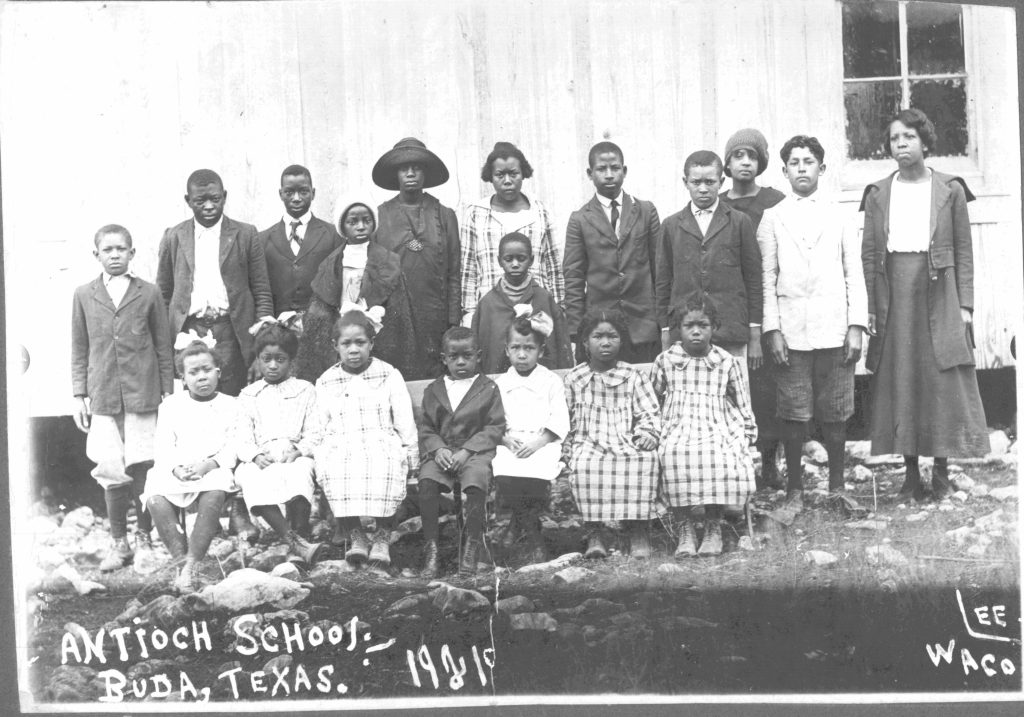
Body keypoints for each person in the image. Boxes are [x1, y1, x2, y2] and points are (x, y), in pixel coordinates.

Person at [860, 108, 990, 500]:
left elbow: (964, 251)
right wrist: (868, 305)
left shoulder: (949, 189)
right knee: (903, 376)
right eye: (895, 138)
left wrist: (965, 304)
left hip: (940, 288)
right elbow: (869, 254)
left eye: (909, 137)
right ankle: (911, 473)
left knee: (941, 375)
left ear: (925, 142)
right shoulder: (879, 193)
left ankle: (943, 472)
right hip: (894, 289)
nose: (901, 144)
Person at [156, 168, 272, 541]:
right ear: (187, 200)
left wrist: (258, 344)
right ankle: (198, 505)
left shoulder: (245, 234)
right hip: (189, 333)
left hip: (231, 333)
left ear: (225, 196)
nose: (208, 206)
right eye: (200, 200)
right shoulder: (175, 236)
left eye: (215, 198)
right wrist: (168, 340)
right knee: (194, 415)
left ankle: (237, 508)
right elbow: (164, 290)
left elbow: (261, 289)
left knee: (233, 413)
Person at [759, 135, 867, 510]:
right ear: (784, 170)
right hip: (791, 332)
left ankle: (837, 487)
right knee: (793, 411)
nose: (801, 168)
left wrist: (856, 326)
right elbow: (767, 278)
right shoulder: (772, 217)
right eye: (794, 162)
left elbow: (855, 273)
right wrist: (772, 330)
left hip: (834, 329)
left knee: (837, 410)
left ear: (822, 168)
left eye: (809, 161)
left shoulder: (840, 214)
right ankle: (795, 491)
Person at [71, 224, 174, 571]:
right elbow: (80, 347)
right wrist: (78, 394)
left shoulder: (148, 293)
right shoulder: (84, 294)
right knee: (110, 468)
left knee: (143, 465)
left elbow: (162, 346)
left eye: (121, 249)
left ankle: (144, 539)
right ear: (96, 254)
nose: (114, 255)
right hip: (103, 396)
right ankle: (120, 543)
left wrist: (168, 395)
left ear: (132, 253)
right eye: (108, 249)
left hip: (142, 394)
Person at [313, 310, 419, 567]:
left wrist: (411, 452)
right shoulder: (327, 381)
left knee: (386, 463)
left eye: (360, 343)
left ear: (371, 343)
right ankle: (356, 536)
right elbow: (320, 424)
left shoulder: (388, 374)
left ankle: (382, 536)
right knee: (336, 466)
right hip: (342, 440)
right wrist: (318, 450)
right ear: (335, 346)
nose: (353, 350)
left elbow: (404, 419)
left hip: (379, 437)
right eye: (346, 344)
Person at [652, 300, 757, 557]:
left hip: (716, 420)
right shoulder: (666, 360)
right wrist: (651, 429)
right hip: (678, 420)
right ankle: (684, 527)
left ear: (714, 328)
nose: (696, 331)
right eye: (689, 325)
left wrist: (747, 429)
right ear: (678, 328)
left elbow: (742, 400)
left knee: (716, 453)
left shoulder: (725, 361)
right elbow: (651, 400)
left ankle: (713, 526)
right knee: (672, 453)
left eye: (703, 325)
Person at [654, 151, 763, 379]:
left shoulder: (740, 222)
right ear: (686, 183)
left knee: (732, 394)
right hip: (685, 332)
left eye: (710, 182)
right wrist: (665, 330)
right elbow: (663, 283)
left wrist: (754, 334)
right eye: (696, 182)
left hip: (730, 330)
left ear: (722, 182)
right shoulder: (671, 226)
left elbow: (753, 280)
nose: (703, 188)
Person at [719, 129, 787, 488]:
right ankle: (733, 463)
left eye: (752, 156)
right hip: (730, 304)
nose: (745, 162)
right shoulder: (716, 203)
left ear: (761, 162)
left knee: (765, 387)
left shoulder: (775, 201)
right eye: (737, 156)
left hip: (768, 302)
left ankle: (769, 462)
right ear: (727, 164)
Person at [142, 340, 239, 594]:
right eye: (193, 373)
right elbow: (163, 445)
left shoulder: (231, 405)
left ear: (218, 370)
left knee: (217, 488)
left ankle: (192, 564)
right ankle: (180, 561)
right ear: (183, 378)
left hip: (212, 466)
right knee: (154, 492)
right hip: (178, 468)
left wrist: (208, 465)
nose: (201, 377)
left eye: (206, 369)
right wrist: (175, 468)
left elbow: (233, 445)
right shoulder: (171, 405)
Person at [564, 309, 660, 560]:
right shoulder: (575, 378)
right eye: (597, 336)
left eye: (612, 336)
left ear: (622, 340)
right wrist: (567, 445)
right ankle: (595, 533)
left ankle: (638, 530)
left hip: (625, 438)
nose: (605, 342)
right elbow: (567, 418)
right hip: (589, 439)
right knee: (584, 464)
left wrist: (647, 433)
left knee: (644, 460)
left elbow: (648, 411)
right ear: (585, 342)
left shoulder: (633, 375)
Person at [296, 198, 419, 382]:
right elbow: (320, 309)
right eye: (352, 222)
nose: (360, 227)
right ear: (343, 226)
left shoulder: (388, 261)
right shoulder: (331, 263)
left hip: (378, 337)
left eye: (366, 220)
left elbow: (400, 314)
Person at [233, 323, 328, 562]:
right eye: (267, 359)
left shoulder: (305, 390)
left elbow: (315, 432)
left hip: (292, 453)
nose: (273, 365)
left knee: (299, 472)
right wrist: (254, 455)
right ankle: (293, 541)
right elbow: (242, 436)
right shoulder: (249, 395)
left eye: (280, 359)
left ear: (291, 361)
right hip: (261, 456)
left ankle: (300, 531)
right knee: (250, 476)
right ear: (258, 360)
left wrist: (299, 450)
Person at [563, 141, 663, 363]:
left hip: (643, 326)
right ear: (590, 174)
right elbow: (574, 278)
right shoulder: (579, 219)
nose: (609, 175)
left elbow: (660, 271)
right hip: (602, 329)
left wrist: (662, 321)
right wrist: (576, 331)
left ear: (624, 171)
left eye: (615, 168)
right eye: (601, 169)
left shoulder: (646, 211)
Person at [418, 327, 506, 578]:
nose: (460, 362)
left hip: (474, 453)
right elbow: (425, 427)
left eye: (467, 356)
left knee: (476, 481)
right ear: (444, 359)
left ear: (478, 356)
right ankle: (431, 548)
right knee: (427, 482)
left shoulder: (487, 388)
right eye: (453, 357)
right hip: (442, 452)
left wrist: (468, 450)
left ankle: (472, 545)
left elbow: (495, 425)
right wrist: (437, 449)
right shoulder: (434, 390)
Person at [372, 138, 461, 379]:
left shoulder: (445, 215)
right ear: (395, 174)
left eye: (417, 168)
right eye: (404, 168)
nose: (410, 173)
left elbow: (454, 271)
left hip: (435, 316)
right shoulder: (380, 215)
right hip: (395, 316)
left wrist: (453, 319)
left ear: (426, 173)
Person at [492, 314, 571, 564]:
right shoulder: (502, 383)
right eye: (516, 348)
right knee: (505, 467)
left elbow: (559, 419)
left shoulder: (550, 381)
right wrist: (504, 439)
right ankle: (529, 527)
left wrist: (539, 442)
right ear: (507, 350)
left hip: (542, 441)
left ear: (541, 350)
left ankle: (526, 530)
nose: (522, 355)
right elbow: (494, 418)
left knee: (537, 470)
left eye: (529, 348)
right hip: (511, 441)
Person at [461, 142, 564, 323]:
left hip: (536, 310)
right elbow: (468, 268)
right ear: (490, 177)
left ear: (523, 174)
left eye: (513, 174)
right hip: (491, 311)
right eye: (500, 175)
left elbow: (554, 267)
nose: (507, 180)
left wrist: (558, 308)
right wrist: (469, 314)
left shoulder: (540, 212)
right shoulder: (475, 213)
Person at [471, 231, 572, 374]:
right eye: (508, 259)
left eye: (521, 258)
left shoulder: (544, 299)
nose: (515, 264)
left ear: (531, 260)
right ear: (499, 260)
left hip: (539, 384)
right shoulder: (488, 303)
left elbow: (561, 346)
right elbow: (477, 350)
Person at [258, 164, 343, 316]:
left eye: (303, 191)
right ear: (280, 194)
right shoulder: (263, 239)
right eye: (289, 192)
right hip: (280, 328)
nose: (296, 198)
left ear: (313, 193)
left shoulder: (332, 235)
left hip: (321, 323)